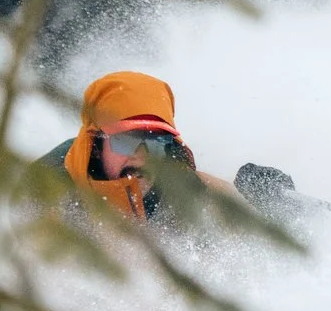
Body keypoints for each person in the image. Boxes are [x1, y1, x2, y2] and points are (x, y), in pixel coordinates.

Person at [44, 71, 280, 222]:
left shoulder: (175, 178)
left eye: (155, 142)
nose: (141, 156)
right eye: (126, 141)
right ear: (96, 146)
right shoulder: (52, 189)